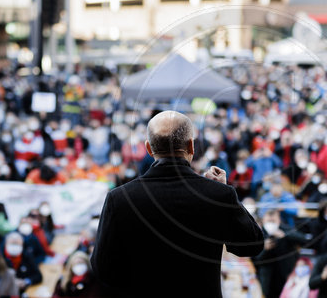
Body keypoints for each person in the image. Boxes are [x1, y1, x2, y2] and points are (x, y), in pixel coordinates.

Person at [91, 111, 264, 297]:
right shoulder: (216, 194)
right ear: (191, 146)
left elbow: (104, 268)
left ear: (149, 149)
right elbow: (251, 245)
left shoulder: (119, 198)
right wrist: (224, 193)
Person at [252, 209, 307, 298]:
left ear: (279, 220)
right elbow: (256, 260)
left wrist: (285, 235)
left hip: (285, 273)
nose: (271, 223)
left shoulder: (286, 229)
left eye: (273, 221)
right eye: (269, 221)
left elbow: (303, 240)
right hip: (267, 276)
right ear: (263, 221)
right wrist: (265, 249)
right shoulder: (259, 233)